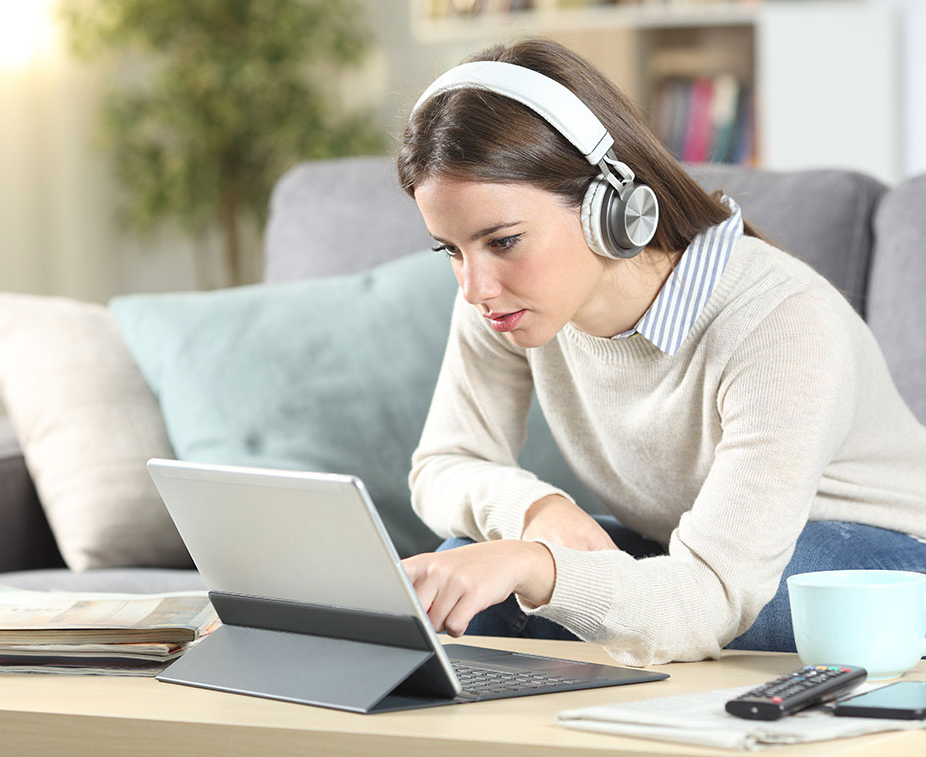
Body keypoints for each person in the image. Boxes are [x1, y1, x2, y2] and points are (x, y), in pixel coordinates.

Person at [396, 37, 926, 667]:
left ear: (609, 209)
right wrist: (535, 511)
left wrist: (541, 566)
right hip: (688, 549)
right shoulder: (502, 302)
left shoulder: (782, 322)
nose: (475, 287)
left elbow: (712, 593)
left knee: (722, 609)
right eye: (449, 250)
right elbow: (445, 463)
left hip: (877, 560)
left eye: (503, 241)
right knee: (459, 570)